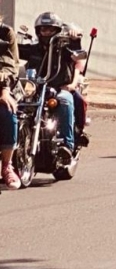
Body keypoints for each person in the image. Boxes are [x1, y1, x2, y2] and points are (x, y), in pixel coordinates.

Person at [18, 12, 82, 163]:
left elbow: (77, 55)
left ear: (58, 31)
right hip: (35, 89)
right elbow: (14, 50)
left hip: (58, 89)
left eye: (50, 30)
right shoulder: (33, 49)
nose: (46, 33)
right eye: (43, 29)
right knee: (16, 105)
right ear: (38, 31)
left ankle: (67, 145)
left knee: (65, 101)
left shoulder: (65, 49)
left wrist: (75, 40)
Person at [0, 16, 21, 190]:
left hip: (2, 86)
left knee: (7, 111)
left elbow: (8, 66)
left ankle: (7, 166)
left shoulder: (5, 33)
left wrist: (5, 90)